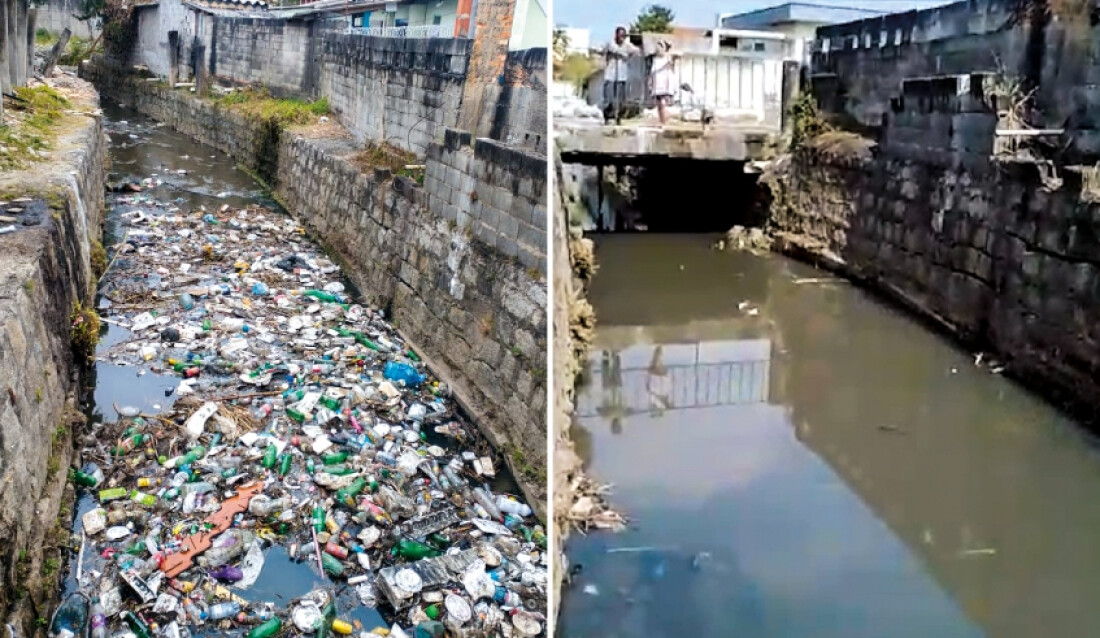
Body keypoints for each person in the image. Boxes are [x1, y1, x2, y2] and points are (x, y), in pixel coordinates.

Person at [604, 26, 639, 125]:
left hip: (621, 76)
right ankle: (608, 117)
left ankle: (618, 117)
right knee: (609, 99)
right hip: (610, 75)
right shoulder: (610, 43)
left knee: (620, 100)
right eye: (620, 35)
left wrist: (630, 54)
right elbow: (612, 50)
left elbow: (637, 51)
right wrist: (624, 54)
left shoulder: (627, 45)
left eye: (624, 35)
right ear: (616, 35)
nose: (622, 37)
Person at [650, 40, 677, 126]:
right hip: (657, 85)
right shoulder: (655, 60)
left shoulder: (668, 58)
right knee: (659, 105)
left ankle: (665, 122)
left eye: (660, 47)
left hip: (665, 85)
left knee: (663, 104)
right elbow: (652, 72)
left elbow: (679, 54)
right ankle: (661, 122)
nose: (658, 49)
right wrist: (650, 82)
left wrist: (669, 52)